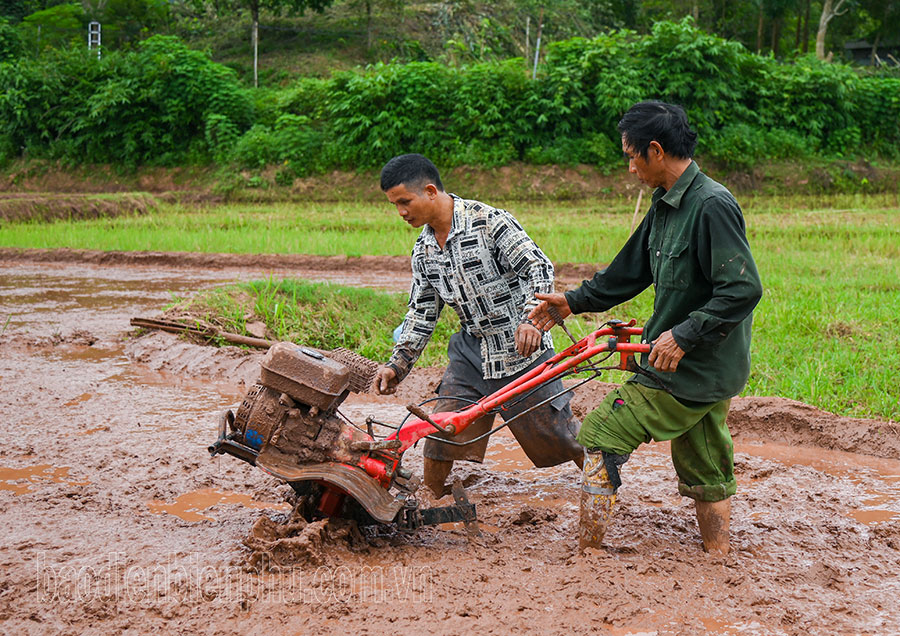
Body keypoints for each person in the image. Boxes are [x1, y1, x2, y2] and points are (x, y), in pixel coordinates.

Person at [529, 101, 763, 555]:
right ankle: (719, 561)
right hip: (699, 367)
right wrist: (572, 302)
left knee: (598, 433)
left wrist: (683, 334)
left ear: (655, 150)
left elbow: (742, 288)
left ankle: (587, 556)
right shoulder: (664, 206)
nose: (630, 167)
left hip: (690, 367)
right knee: (707, 464)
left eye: (631, 156)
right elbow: (628, 273)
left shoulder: (711, 205)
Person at [374, 153, 583, 497]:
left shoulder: (489, 222)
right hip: (470, 352)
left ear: (429, 191)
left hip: (521, 350)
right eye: (395, 205)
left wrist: (532, 320)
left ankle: (609, 489)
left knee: (562, 438)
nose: (401, 212)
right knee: (442, 431)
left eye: (404, 201)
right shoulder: (424, 249)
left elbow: (539, 268)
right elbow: (422, 310)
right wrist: (398, 363)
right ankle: (432, 501)